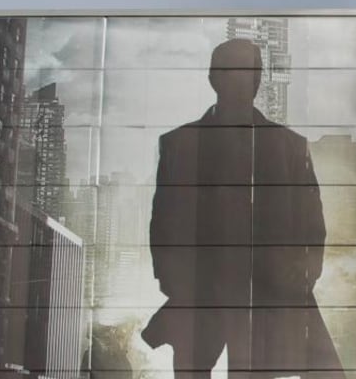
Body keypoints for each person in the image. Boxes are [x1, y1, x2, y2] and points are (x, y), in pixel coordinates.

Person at [143, 39, 344, 379]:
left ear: (257, 80)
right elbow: (162, 219)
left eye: (248, 73)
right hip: (200, 292)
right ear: (213, 78)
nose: (241, 82)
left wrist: (303, 274)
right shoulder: (178, 143)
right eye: (232, 73)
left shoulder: (290, 146)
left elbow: (313, 221)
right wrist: (173, 282)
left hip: (264, 292)